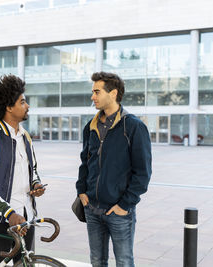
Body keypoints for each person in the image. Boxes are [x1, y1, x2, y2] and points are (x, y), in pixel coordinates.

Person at [76, 71, 152, 267]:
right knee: (96, 261)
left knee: (124, 262)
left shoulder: (133, 127)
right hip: (92, 210)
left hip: (119, 211)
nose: (92, 97)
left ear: (113, 93)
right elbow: (85, 162)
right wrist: (81, 191)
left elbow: (143, 172)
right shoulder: (90, 127)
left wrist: (125, 205)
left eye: (97, 92)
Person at [0, 74, 45, 267]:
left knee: (26, 264)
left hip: (27, 216)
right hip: (3, 220)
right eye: (22, 102)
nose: (27, 106)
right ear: (9, 107)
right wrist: (9, 213)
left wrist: (36, 184)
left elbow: (34, 169)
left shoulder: (25, 137)